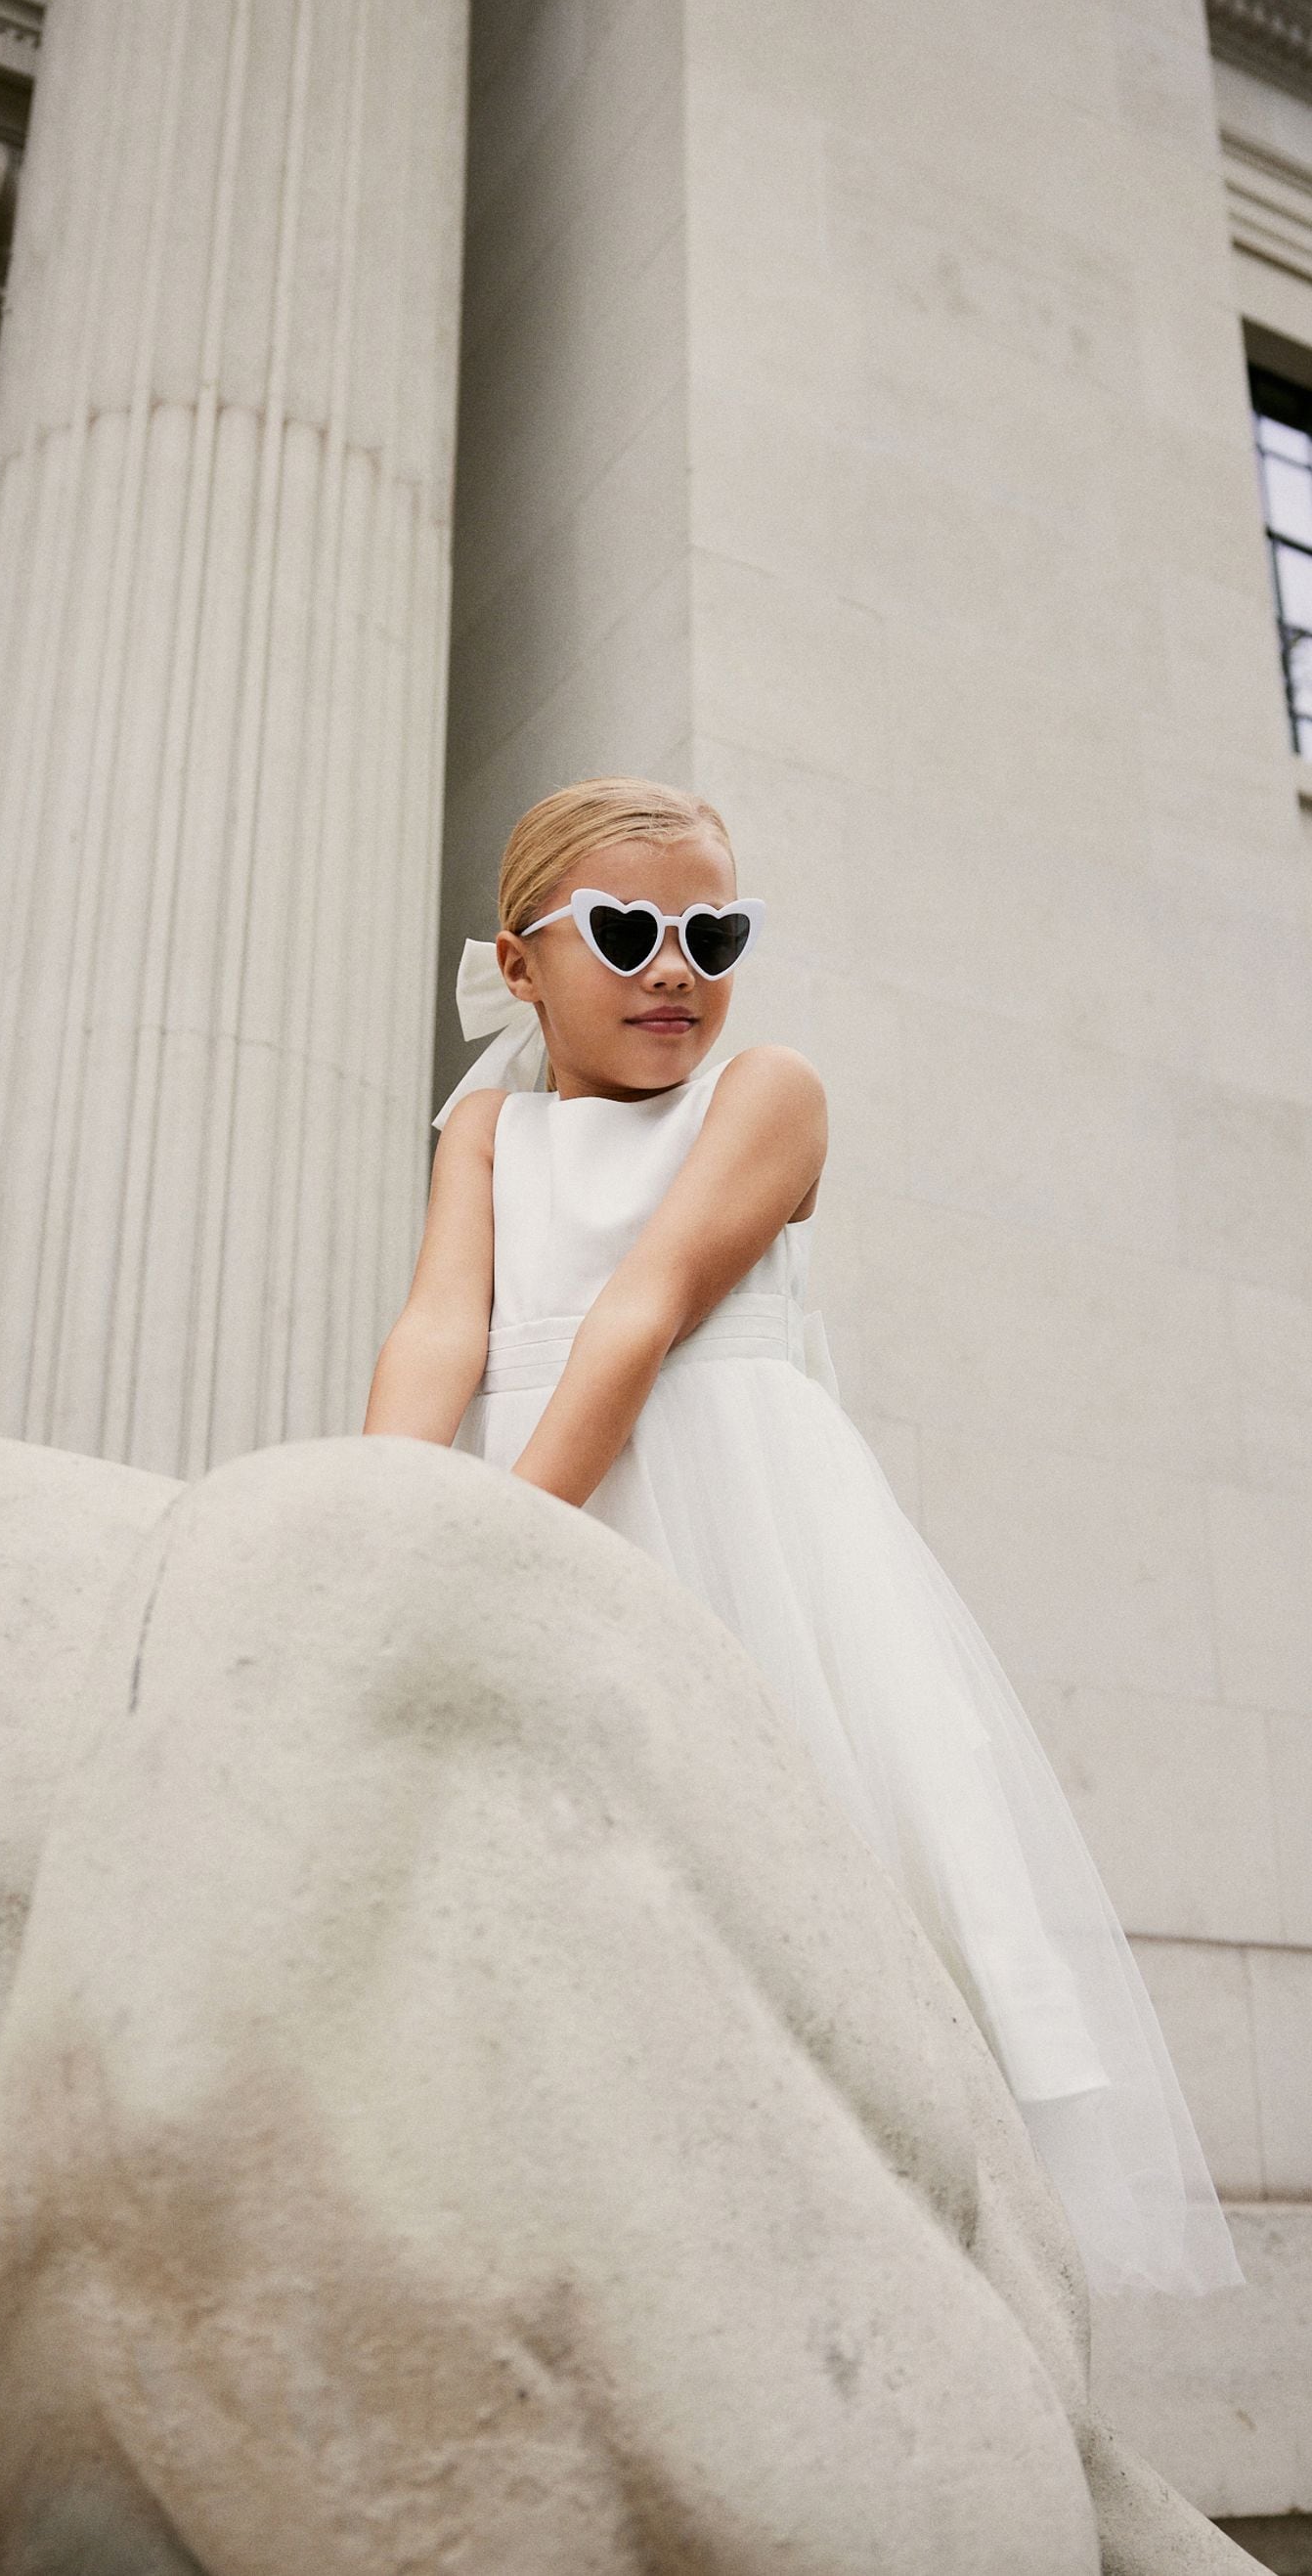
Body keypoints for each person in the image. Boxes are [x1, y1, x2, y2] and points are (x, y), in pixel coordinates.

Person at [364, 773, 1245, 2299]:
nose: (676, 967)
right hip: (550, 1497)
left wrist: (493, 1548)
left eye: (715, 931)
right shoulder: (485, 1133)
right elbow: (444, 1322)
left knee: (803, 1881)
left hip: (727, 1533)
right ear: (518, 965)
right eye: (629, 928)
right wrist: (370, 1522)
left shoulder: (768, 1091)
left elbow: (639, 1316)